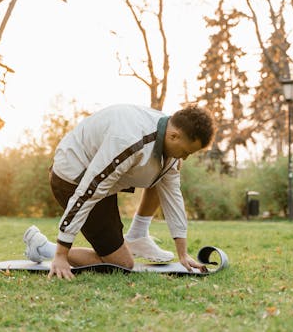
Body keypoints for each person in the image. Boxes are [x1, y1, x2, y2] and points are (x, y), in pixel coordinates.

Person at [23, 104, 214, 280]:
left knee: (167, 172)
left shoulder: (170, 136)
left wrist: (183, 253)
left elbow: (173, 195)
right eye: (187, 151)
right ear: (174, 136)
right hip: (71, 177)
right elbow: (87, 192)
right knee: (122, 264)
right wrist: (61, 255)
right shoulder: (128, 141)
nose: (186, 158)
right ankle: (43, 248)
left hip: (100, 174)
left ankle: (138, 236)